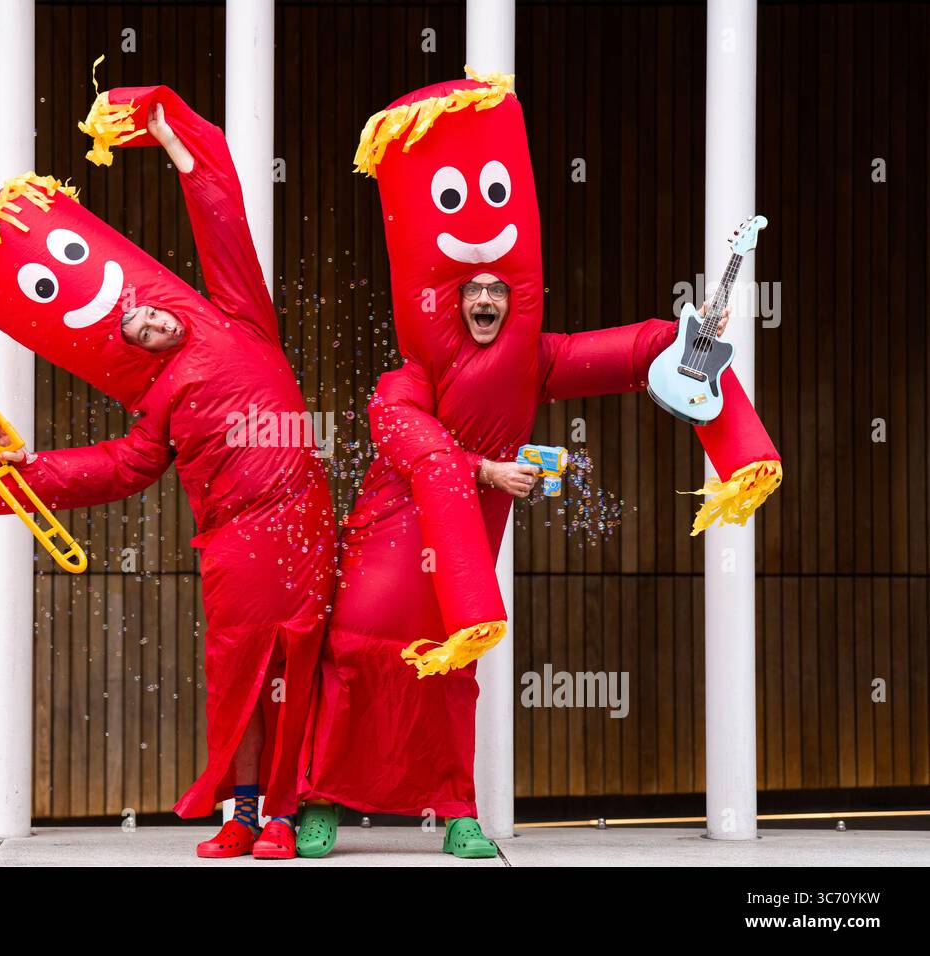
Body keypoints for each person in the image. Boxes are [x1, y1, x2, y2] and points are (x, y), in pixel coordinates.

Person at [0, 87, 335, 861]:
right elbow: (120, 468)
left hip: (300, 521)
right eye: (138, 330)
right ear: (139, 350)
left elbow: (223, 222)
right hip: (229, 545)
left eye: (150, 312)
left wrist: (177, 146)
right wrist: (31, 465)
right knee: (237, 681)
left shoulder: (240, 316)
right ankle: (245, 811)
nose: (150, 322)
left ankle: (287, 812)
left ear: (164, 303)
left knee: (299, 668)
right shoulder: (159, 400)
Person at [297, 72, 776, 859]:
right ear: (454, 303)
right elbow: (400, 430)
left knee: (452, 677)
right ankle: (321, 800)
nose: (485, 299)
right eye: (472, 293)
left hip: (465, 551)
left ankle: (454, 810)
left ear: (510, 300)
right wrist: (483, 473)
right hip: (391, 533)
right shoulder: (409, 376)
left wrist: (692, 334)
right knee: (356, 654)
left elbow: (630, 351)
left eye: (497, 291)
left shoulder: (535, 361)